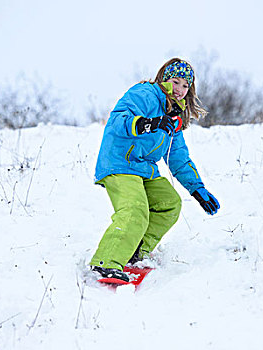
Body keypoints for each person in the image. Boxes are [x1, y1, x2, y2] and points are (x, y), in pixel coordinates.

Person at [90, 58, 220, 282]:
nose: (179, 90)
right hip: (119, 162)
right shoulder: (145, 93)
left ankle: (134, 253)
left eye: (185, 86)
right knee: (134, 210)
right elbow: (118, 120)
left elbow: (178, 157)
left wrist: (197, 189)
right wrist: (149, 123)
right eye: (176, 82)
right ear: (164, 79)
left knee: (169, 203)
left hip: (143, 169)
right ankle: (106, 262)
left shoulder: (174, 116)